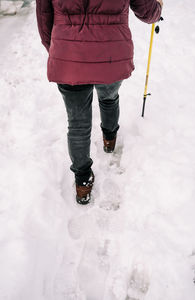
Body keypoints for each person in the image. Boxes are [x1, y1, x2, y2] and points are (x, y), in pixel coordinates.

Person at [36, 0, 163, 205]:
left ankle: (82, 181)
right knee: (109, 98)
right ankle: (109, 138)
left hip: (69, 54)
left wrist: (59, 51)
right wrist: (158, 7)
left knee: (77, 125)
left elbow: (44, 19)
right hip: (112, 55)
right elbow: (147, 11)